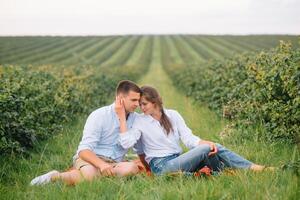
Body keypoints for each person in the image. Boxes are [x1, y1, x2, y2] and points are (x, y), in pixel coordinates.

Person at [117, 85, 274, 176]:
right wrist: (122, 118)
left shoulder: (173, 115)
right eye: (139, 104)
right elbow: (126, 143)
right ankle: (252, 168)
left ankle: (217, 172)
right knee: (211, 147)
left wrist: (202, 142)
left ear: (154, 102)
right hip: (162, 166)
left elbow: (188, 138)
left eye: (144, 104)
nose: (140, 107)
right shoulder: (139, 121)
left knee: (210, 149)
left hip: (178, 160)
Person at [30, 80, 142, 185]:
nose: (138, 104)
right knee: (89, 173)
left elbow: (127, 144)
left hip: (115, 162)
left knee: (131, 168)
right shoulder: (99, 115)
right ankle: (55, 176)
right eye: (134, 100)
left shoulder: (136, 119)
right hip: (92, 159)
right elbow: (83, 150)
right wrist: (102, 165)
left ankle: (85, 176)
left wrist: (122, 118)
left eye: (138, 100)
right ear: (120, 98)